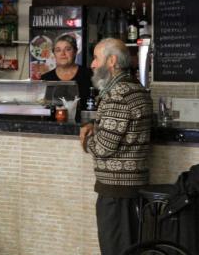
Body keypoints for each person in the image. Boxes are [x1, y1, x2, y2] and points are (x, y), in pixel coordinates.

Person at [79, 38, 153, 255]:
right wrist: (98, 126)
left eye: (95, 58)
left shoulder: (117, 95)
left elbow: (103, 148)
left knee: (115, 248)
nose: (92, 64)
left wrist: (87, 139)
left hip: (117, 189)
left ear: (111, 61)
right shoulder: (135, 88)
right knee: (131, 248)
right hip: (132, 185)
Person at [41, 35, 93, 117]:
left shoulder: (89, 75)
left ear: (75, 51)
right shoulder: (45, 78)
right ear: (54, 53)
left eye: (68, 49)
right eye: (58, 50)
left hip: (84, 126)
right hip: (53, 126)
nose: (63, 54)